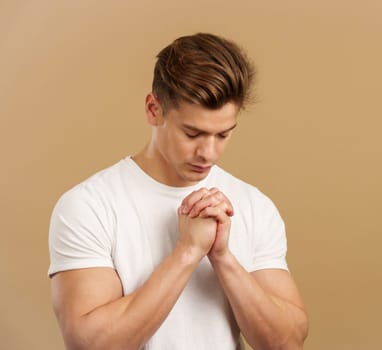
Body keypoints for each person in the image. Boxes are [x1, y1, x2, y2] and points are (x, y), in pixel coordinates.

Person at [48, 33, 309, 350]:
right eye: (193, 133)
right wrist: (187, 252)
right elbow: (92, 345)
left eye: (223, 134)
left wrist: (223, 257)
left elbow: (287, 342)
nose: (209, 153)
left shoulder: (254, 205)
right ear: (153, 109)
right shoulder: (88, 206)